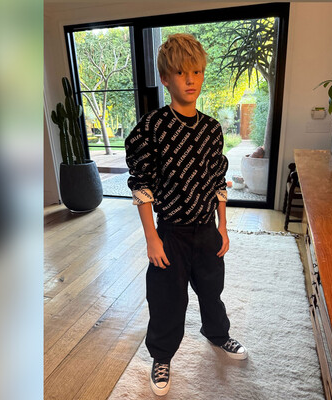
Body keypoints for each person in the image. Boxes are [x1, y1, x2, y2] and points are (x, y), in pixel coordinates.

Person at [125, 33, 247, 397]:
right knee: (167, 299)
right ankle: (162, 356)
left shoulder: (211, 129)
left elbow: (217, 178)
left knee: (212, 289)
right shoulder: (153, 127)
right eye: (180, 73)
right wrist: (152, 237)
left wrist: (223, 226)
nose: (190, 80)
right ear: (166, 79)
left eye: (196, 72)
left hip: (206, 229)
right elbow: (142, 184)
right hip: (171, 233)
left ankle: (217, 334)